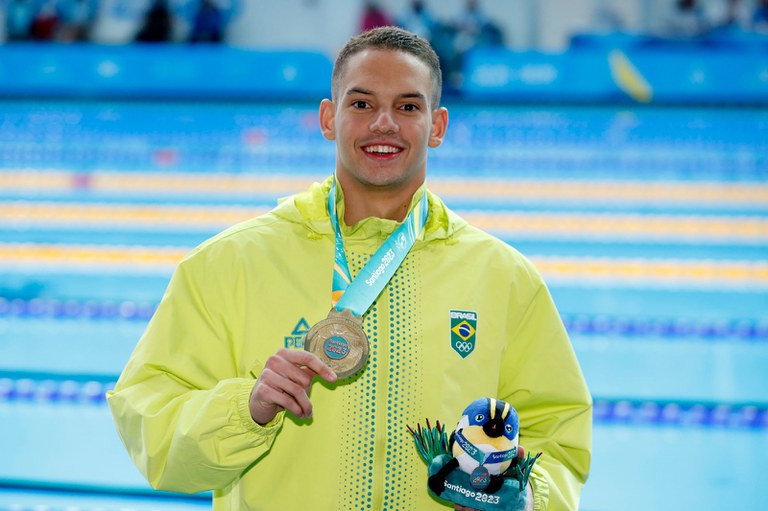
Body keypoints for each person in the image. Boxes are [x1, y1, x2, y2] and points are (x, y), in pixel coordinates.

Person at [107, 26, 592, 511]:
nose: (385, 123)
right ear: (328, 118)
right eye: (361, 104)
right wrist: (245, 411)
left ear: (437, 125)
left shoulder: (504, 278)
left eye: (408, 106)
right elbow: (152, 426)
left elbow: (558, 434)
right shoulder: (231, 263)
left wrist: (523, 499)